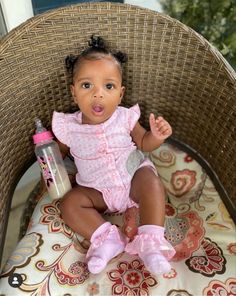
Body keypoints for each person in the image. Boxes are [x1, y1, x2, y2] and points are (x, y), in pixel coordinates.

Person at [52, 35, 176, 275]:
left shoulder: (124, 117)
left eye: (108, 86)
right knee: (70, 203)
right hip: (97, 191)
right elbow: (58, 157)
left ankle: (150, 241)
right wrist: (48, 153)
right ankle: (107, 237)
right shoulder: (68, 127)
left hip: (132, 179)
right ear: (74, 93)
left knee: (150, 180)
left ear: (120, 94)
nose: (98, 95)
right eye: (87, 86)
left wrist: (157, 136)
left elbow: (144, 143)